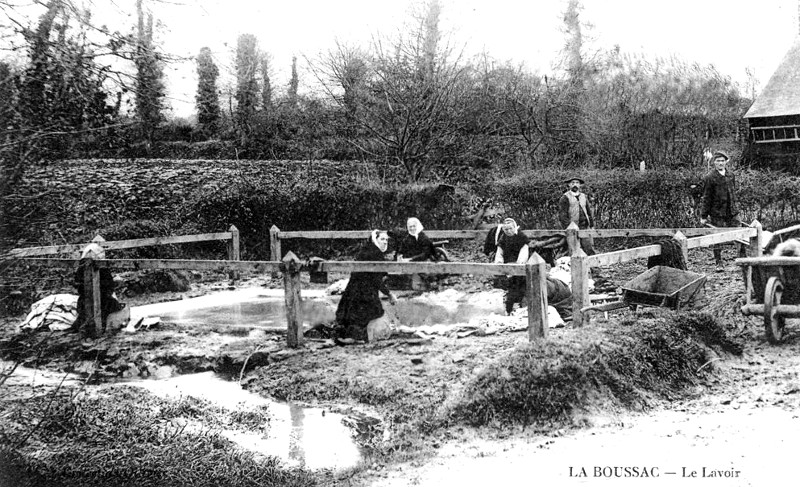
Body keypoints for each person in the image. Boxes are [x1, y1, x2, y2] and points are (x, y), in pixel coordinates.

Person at [334, 230, 398, 342]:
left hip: (356, 287)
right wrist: (389, 293)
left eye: (386, 240)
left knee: (355, 313)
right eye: (382, 239)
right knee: (366, 311)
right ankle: (355, 337)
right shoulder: (375, 254)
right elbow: (376, 279)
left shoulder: (367, 250)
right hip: (363, 289)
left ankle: (349, 335)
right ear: (375, 240)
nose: (385, 242)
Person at [73, 243, 126, 335]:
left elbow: (77, 285)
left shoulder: (81, 268)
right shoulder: (101, 267)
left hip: (87, 301)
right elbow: (108, 285)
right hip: (101, 301)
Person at [700, 150, 738, 270]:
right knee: (718, 237)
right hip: (717, 212)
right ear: (714, 162)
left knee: (740, 233)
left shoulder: (731, 175)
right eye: (718, 161)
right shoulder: (710, 177)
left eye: (723, 161)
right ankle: (718, 262)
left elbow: (733, 192)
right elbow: (706, 197)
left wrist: (735, 206)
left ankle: (743, 258)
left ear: (726, 162)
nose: (720, 163)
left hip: (732, 210)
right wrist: (703, 216)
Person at [494, 218, 530, 315]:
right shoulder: (503, 238)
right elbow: (499, 253)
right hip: (507, 266)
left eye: (510, 228)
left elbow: (524, 253)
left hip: (519, 266)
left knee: (519, 285)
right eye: (506, 230)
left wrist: (518, 266)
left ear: (515, 227)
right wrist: (499, 264)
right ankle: (508, 307)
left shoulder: (521, 237)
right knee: (507, 286)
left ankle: (518, 306)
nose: (509, 231)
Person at [557, 176, 596, 256]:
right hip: (572, 228)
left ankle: (592, 266)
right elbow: (562, 216)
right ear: (569, 185)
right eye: (572, 183)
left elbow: (588, 211)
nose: (575, 185)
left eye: (577, 183)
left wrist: (591, 224)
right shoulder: (565, 198)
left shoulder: (583, 196)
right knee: (572, 249)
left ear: (580, 185)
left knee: (589, 248)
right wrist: (569, 227)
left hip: (584, 226)